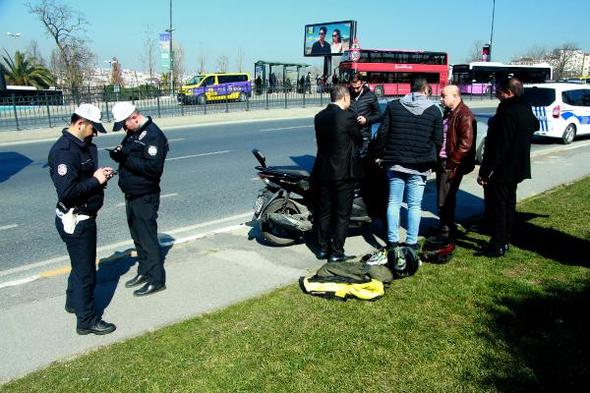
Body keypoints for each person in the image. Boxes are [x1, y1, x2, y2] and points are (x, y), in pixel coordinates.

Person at [49, 103, 117, 335]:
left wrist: (98, 177)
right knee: (86, 271)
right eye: (93, 128)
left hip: (84, 215)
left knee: (79, 266)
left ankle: (73, 302)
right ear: (80, 123)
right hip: (77, 219)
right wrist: (96, 181)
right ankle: (86, 321)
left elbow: (83, 177)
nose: (95, 133)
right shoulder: (64, 152)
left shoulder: (82, 146)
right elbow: (67, 192)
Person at [373, 78, 443, 257]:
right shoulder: (435, 111)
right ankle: (411, 242)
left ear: (411, 89)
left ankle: (392, 241)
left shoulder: (394, 106)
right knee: (414, 205)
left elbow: (383, 132)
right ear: (426, 89)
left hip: (395, 162)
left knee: (393, 202)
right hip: (420, 165)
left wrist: (380, 155)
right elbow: (438, 141)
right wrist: (432, 161)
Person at [109, 102, 169, 296]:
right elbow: (130, 153)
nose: (124, 128)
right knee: (138, 238)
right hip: (132, 194)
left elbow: (153, 169)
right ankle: (144, 271)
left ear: (134, 117)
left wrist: (125, 158)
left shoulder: (153, 135)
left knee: (148, 239)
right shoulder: (133, 133)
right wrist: (119, 154)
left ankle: (156, 279)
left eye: (125, 124)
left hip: (145, 195)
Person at [476, 77, 540, 257]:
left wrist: (485, 171)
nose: (496, 94)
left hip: (502, 168)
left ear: (509, 93)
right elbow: (535, 125)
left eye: (498, 91)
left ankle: (497, 244)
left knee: (499, 208)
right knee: (509, 205)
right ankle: (505, 239)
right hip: (518, 166)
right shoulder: (526, 109)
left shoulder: (506, 111)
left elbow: (498, 146)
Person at [311, 85, 363, 262]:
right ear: (345, 98)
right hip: (343, 173)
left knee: (324, 211)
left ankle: (322, 248)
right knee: (342, 214)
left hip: (322, 171)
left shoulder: (319, 117)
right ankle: (337, 252)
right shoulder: (348, 117)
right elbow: (359, 139)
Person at [436, 85, 477, 241]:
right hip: (444, 161)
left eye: (443, 96)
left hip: (450, 163)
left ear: (455, 96)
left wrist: (451, 163)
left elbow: (465, 143)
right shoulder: (450, 112)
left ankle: (446, 232)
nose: (441, 98)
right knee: (445, 198)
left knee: (444, 200)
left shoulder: (464, 114)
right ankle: (445, 226)